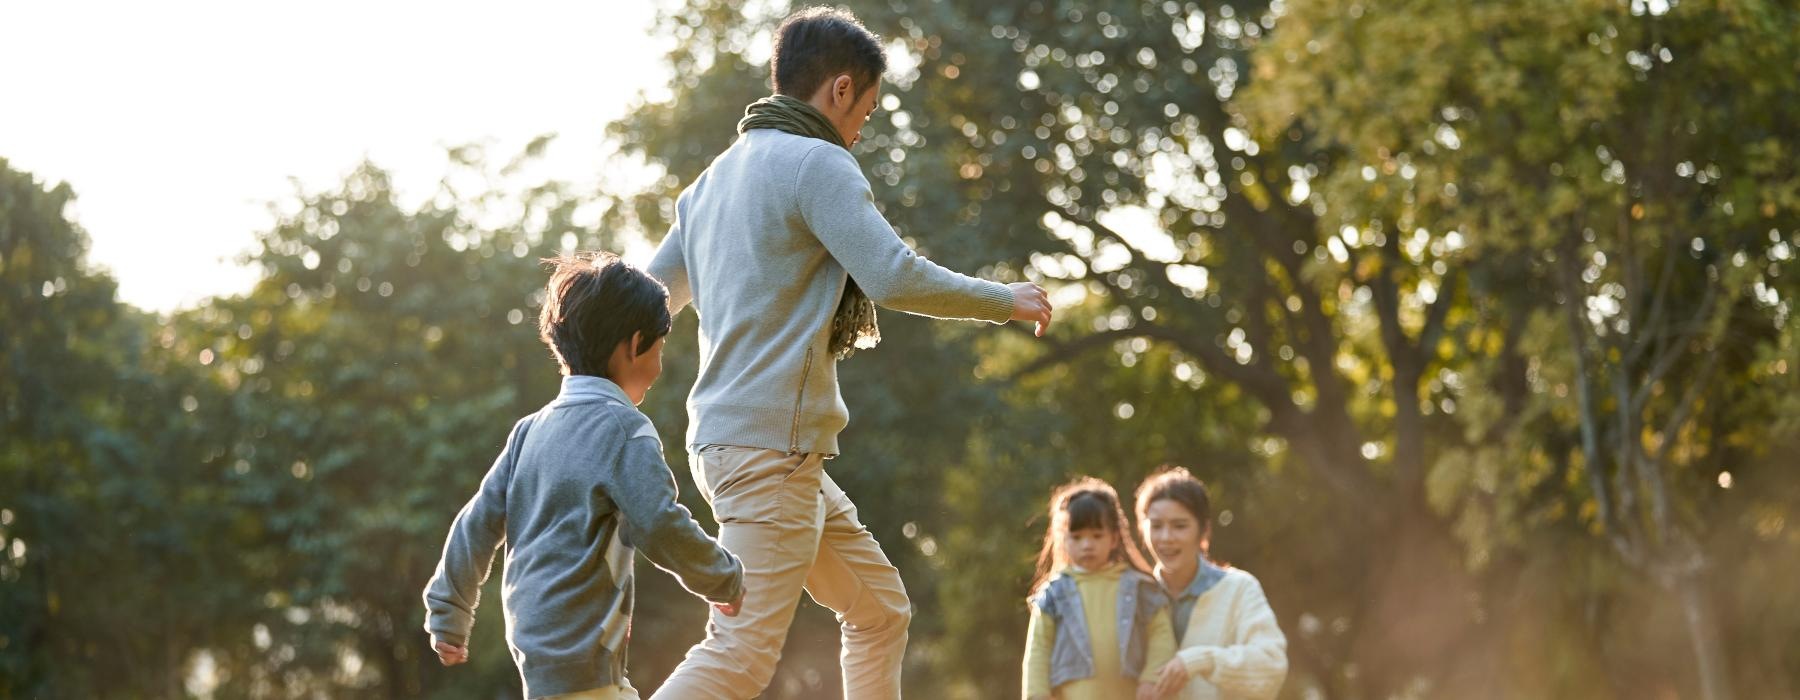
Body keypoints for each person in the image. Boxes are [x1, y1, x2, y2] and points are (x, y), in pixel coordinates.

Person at [645, 6, 1053, 699]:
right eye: (867, 106)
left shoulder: (710, 182)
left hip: (734, 446)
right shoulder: (816, 162)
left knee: (879, 609)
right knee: (740, 657)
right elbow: (892, 275)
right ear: (839, 89)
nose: (864, 126)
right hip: (770, 451)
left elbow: (649, 300)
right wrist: (1003, 298)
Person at [421, 252, 745, 700]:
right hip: (585, 663)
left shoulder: (528, 432)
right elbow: (657, 522)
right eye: (659, 349)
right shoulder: (624, 428)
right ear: (635, 345)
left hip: (539, 659)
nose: (660, 365)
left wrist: (449, 613)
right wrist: (722, 577)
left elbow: (474, 525)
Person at [1134, 467, 1287, 700]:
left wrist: (1201, 660)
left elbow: (1271, 666)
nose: (1166, 538)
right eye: (1156, 526)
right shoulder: (1132, 595)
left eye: (1180, 526)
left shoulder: (1239, 589)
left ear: (1204, 530)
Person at [1022, 477, 1175, 700]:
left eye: (1096, 535)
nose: (1087, 545)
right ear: (1063, 540)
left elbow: (1161, 635)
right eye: (1077, 537)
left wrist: (1151, 678)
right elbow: (1038, 650)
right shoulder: (1053, 594)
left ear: (1114, 538)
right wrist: (1037, 694)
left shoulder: (1139, 587)